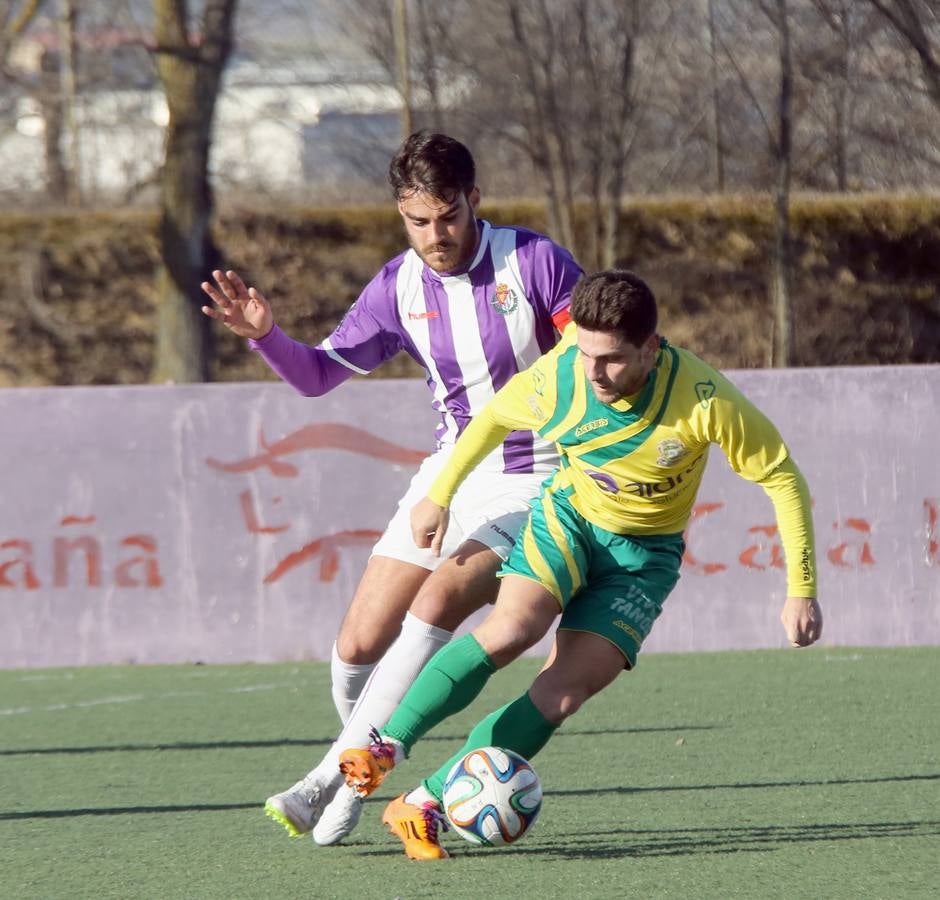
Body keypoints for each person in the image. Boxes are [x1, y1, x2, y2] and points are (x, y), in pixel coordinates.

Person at [337, 269, 823, 860]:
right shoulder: (557, 377)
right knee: (512, 630)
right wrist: (439, 494)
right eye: (584, 351)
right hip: (568, 519)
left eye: (612, 359)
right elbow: (487, 422)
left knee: (563, 694)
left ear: (651, 346)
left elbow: (782, 478)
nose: (593, 372)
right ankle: (384, 745)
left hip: (644, 558)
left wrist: (801, 589)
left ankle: (422, 804)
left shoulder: (704, 398)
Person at [200, 131, 582, 845]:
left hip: (539, 473)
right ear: (400, 213)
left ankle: (329, 783)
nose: (435, 235)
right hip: (452, 470)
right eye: (418, 220)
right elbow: (317, 376)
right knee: (356, 644)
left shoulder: (534, 262)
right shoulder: (397, 287)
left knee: (433, 609)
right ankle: (357, 774)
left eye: (448, 217)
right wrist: (264, 335)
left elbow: (595, 359)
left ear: (475, 200)